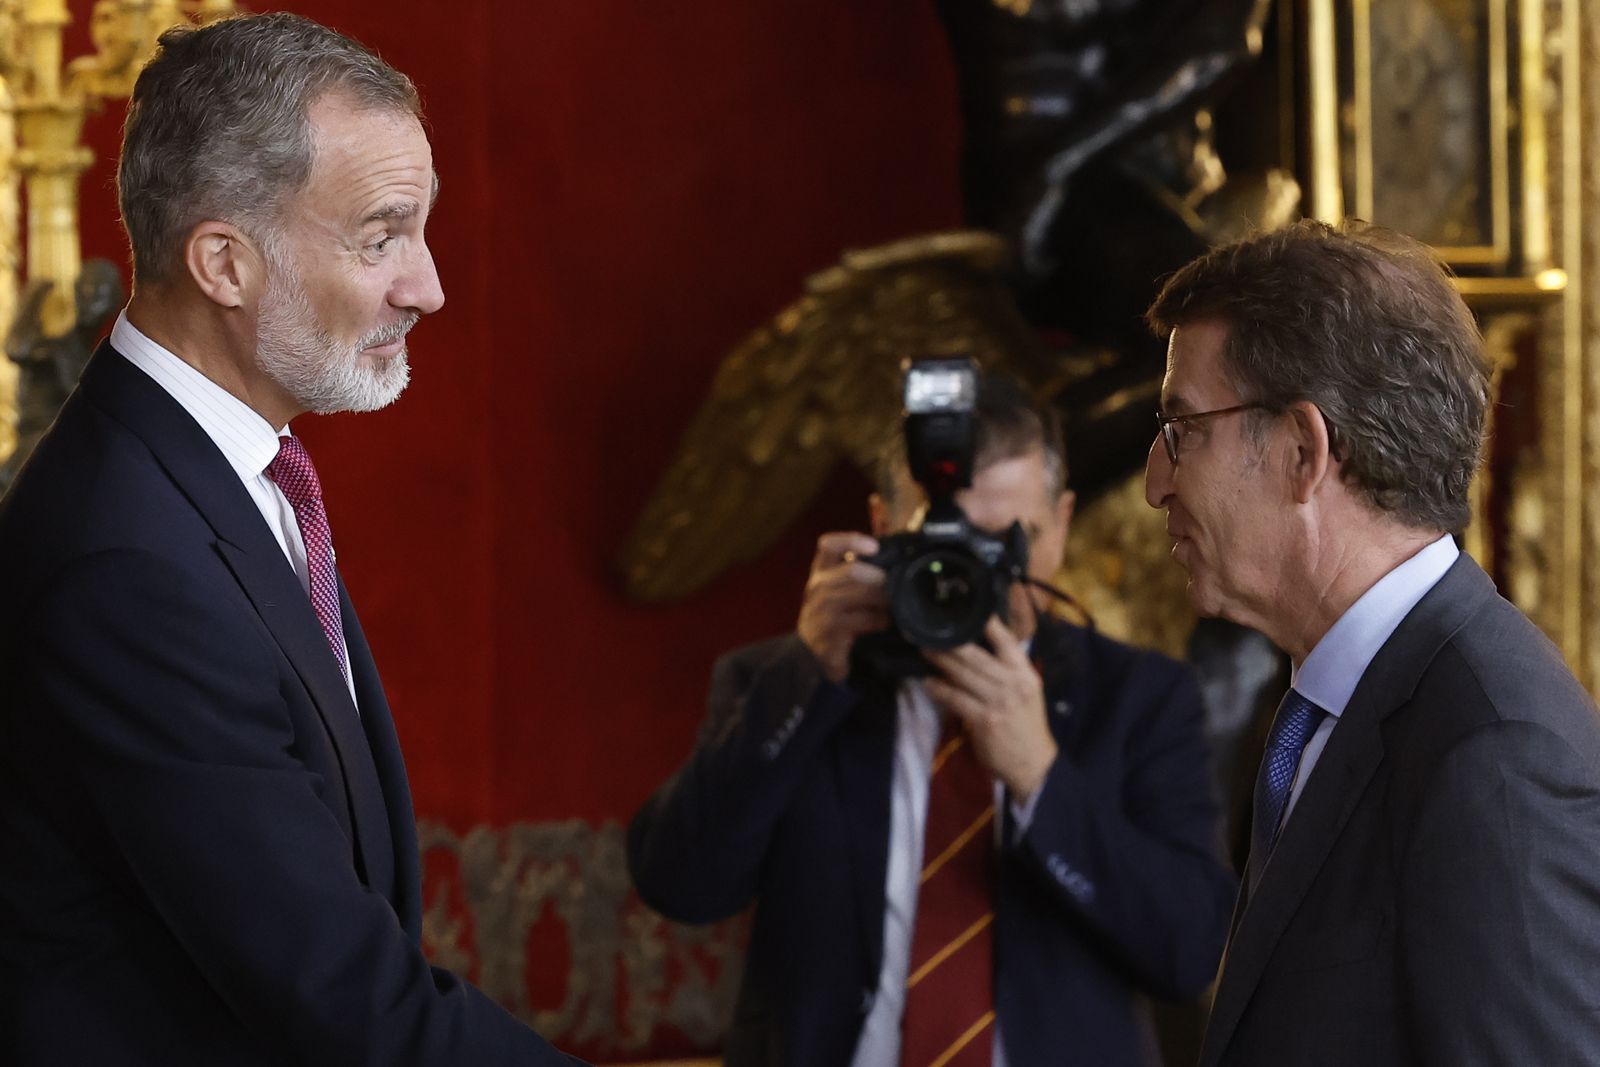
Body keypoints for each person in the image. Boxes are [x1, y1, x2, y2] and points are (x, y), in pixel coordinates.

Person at [0, 14, 581, 1065]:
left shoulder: (217, 472)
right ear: (224, 263)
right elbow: (342, 994)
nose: (428, 286)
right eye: (381, 236)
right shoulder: (126, 562)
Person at [628, 375, 1237, 1066]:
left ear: (1062, 523)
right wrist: (806, 673)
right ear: (883, 527)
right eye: (946, 542)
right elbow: (678, 884)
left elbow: (1189, 954)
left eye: (1005, 542)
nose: (970, 575)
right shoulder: (788, 685)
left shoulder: (1140, 697)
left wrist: (1041, 778)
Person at [1143, 219, 1600, 1065]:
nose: (1154, 481)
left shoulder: (1495, 754)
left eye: (1183, 429)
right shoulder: (1335, 702)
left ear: (1302, 450)